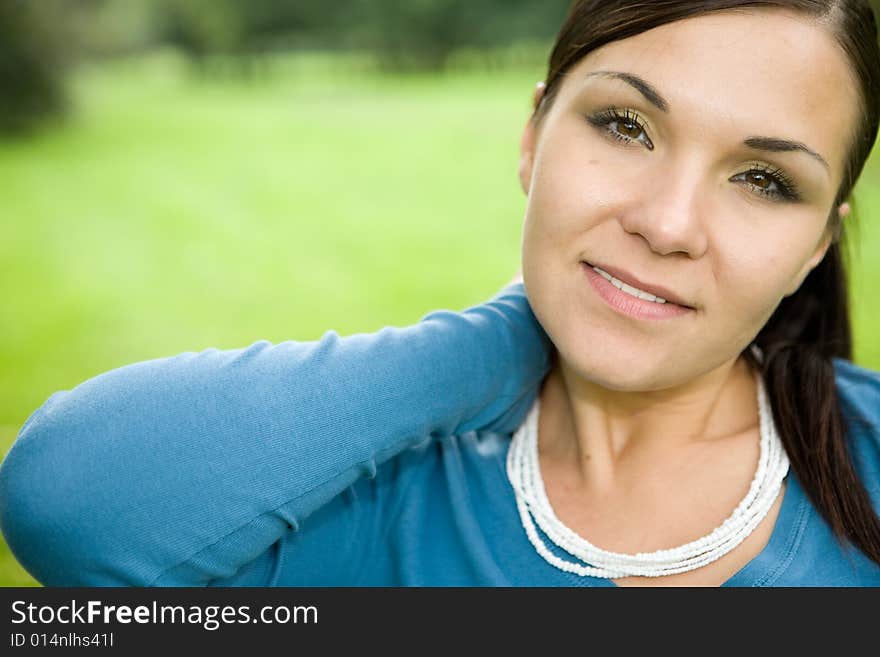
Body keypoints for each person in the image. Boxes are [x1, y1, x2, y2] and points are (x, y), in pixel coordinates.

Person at [2, 0, 880, 587]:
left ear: (817, 242)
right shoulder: (376, 495)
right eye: (625, 125)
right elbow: (64, 498)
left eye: (763, 180)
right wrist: (493, 343)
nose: (669, 223)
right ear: (534, 136)